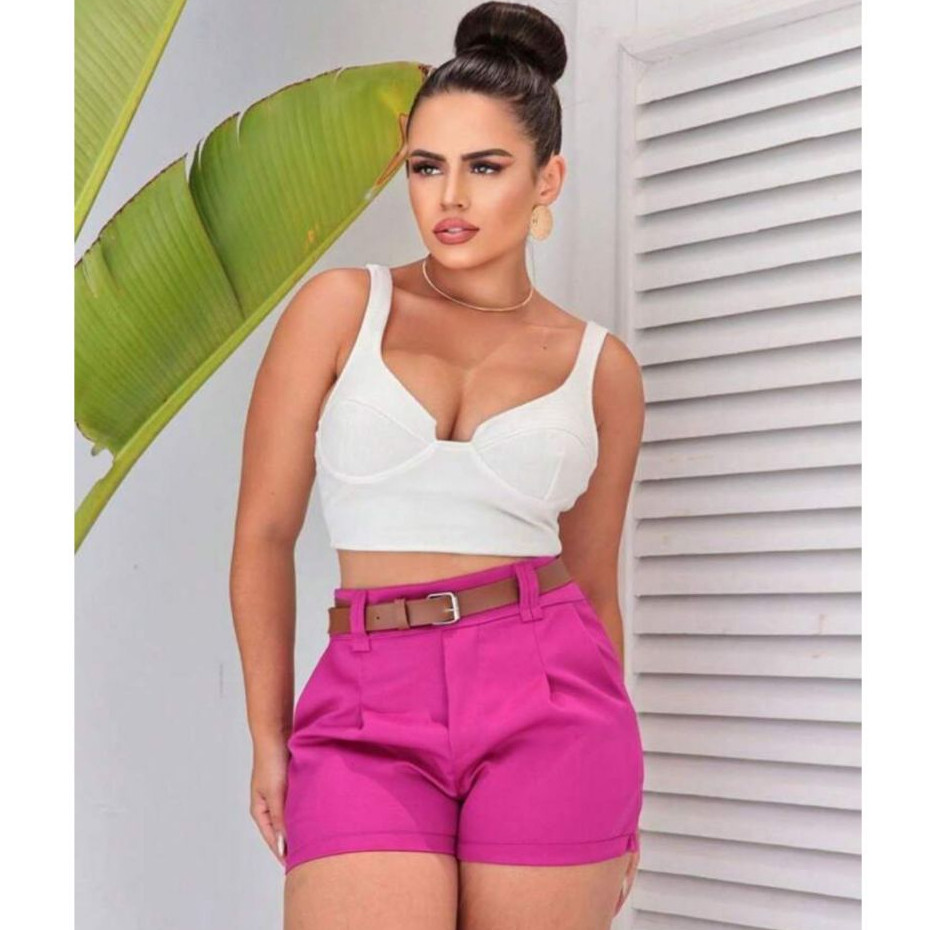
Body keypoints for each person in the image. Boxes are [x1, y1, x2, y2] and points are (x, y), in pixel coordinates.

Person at [229, 3, 646, 927]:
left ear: (547, 179)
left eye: (484, 167)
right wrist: (268, 737)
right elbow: (264, 532)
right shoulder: (342, 308)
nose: (449, 197)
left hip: (554, 699)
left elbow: (594, 585)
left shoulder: (603, 369)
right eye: (427, 167)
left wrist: (622, 781)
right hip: (366, 694)